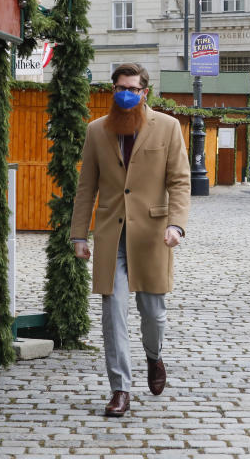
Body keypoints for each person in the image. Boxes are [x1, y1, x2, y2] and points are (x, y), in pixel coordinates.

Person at [70, 63, 191, 417]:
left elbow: (180, 182)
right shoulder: (96, 131)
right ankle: (120, 388)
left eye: (131, 88)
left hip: (153, 236)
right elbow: (86, 187)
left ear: (144, 92)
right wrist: (79, 234)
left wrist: (176, 225)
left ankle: (154, 357)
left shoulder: (167, 128)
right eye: (119, 87)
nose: (125, 94)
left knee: (153, 315)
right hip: (111, 236)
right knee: (113, 314)